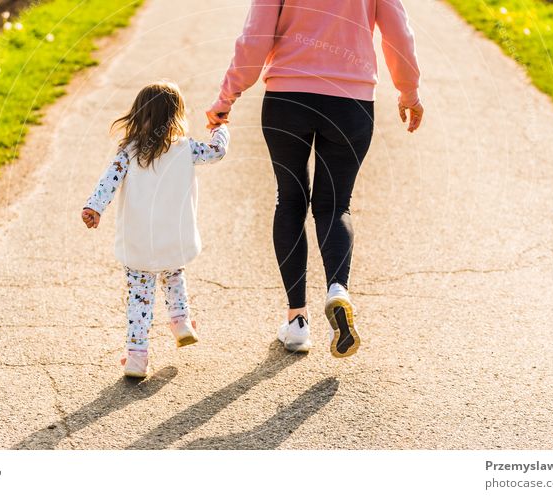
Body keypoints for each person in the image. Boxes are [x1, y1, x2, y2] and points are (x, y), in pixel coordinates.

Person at [207, 0, 423, 358]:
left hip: (287, 99)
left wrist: (227, 95)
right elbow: (398, 32)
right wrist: (409, 91)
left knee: (290, 200)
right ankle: (338, 288)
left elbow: (255, 36)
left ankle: (297, 323)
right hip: (351, 103)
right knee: (335, 205)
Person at [82, 80, 230, 377]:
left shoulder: (129, 152)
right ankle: (181, 322)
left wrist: (94, 207)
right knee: (174, 276)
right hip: (172, 238)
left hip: (138, 241)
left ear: (138, 115)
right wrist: (220, 127)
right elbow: (217, 151)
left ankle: (137, 357)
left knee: (140, 296)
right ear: (176, 117)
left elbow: (107, 181)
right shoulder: (186, 149)